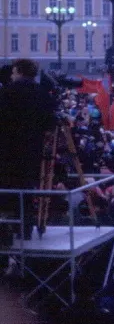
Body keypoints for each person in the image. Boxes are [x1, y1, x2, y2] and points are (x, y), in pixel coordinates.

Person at [0, 59, 57, 243]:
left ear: (19, 71)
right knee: (26, 190)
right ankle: (25, 230)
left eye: (14, 72)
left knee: (7, 190)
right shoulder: (42, 94)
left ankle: (7, 230)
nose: (12, 75)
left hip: (6, 151)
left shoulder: (6, 92)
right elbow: (50, 123)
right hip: (32, 151)